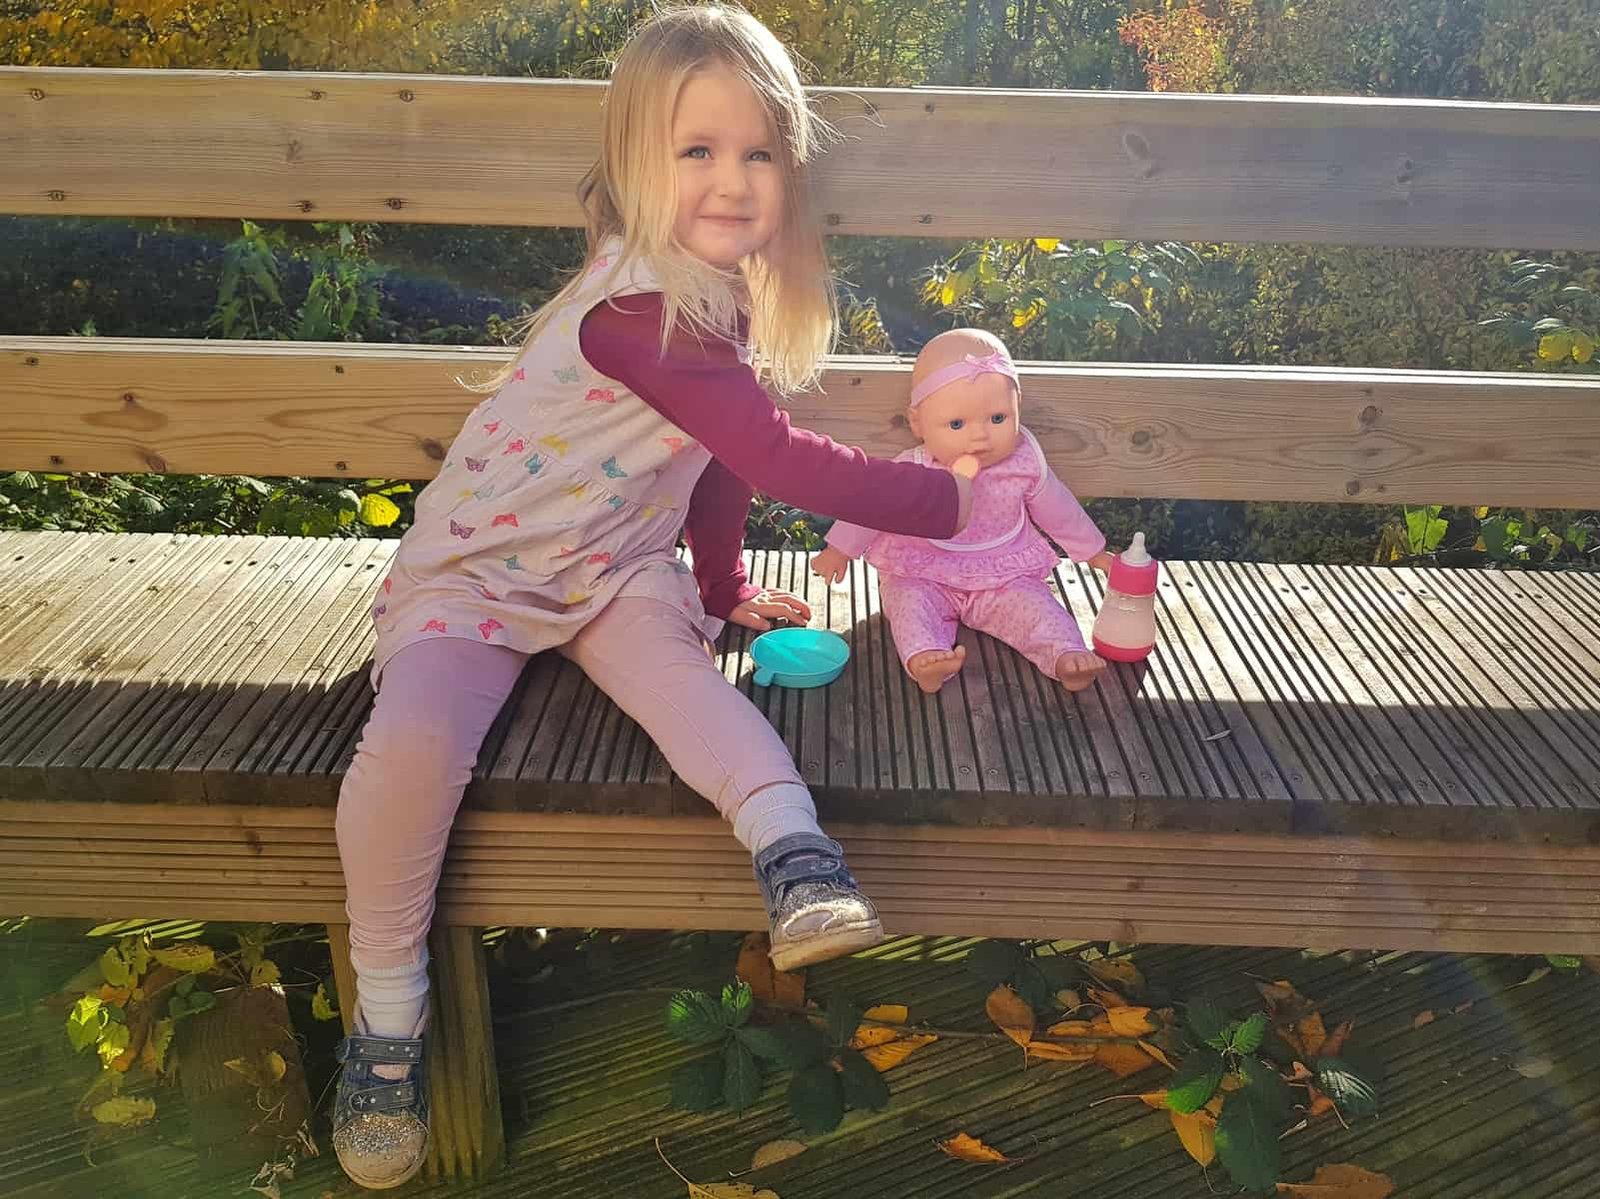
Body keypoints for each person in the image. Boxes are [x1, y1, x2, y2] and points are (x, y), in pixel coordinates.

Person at [329, 5, 974, 1188]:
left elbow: (718, 464)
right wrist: (944, 502)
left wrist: (723, 587)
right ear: (636, 162)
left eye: (759, 152)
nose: (731, 181)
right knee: (412, 750)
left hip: (614, 563)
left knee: (686, 686)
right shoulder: (637, 310)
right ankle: (387, 1012)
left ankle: (796, 854)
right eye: (695, 150)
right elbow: (781, 458)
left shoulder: (716, 300)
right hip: (478, 574)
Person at [812, 328, 1113, 695]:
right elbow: (875, 506)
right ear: (918, 423)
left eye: (998, 418)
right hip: (924, 570)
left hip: (1002, 573)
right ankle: (926, 658)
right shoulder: (915, 468)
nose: (980, 437)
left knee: (1037, 607)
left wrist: (1094, 552)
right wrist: (840, 548)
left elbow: (1059, 510)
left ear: (1018, 408)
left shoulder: (1023, 463)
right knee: (909, 602)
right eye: (957, 424)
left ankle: (1066, 655)